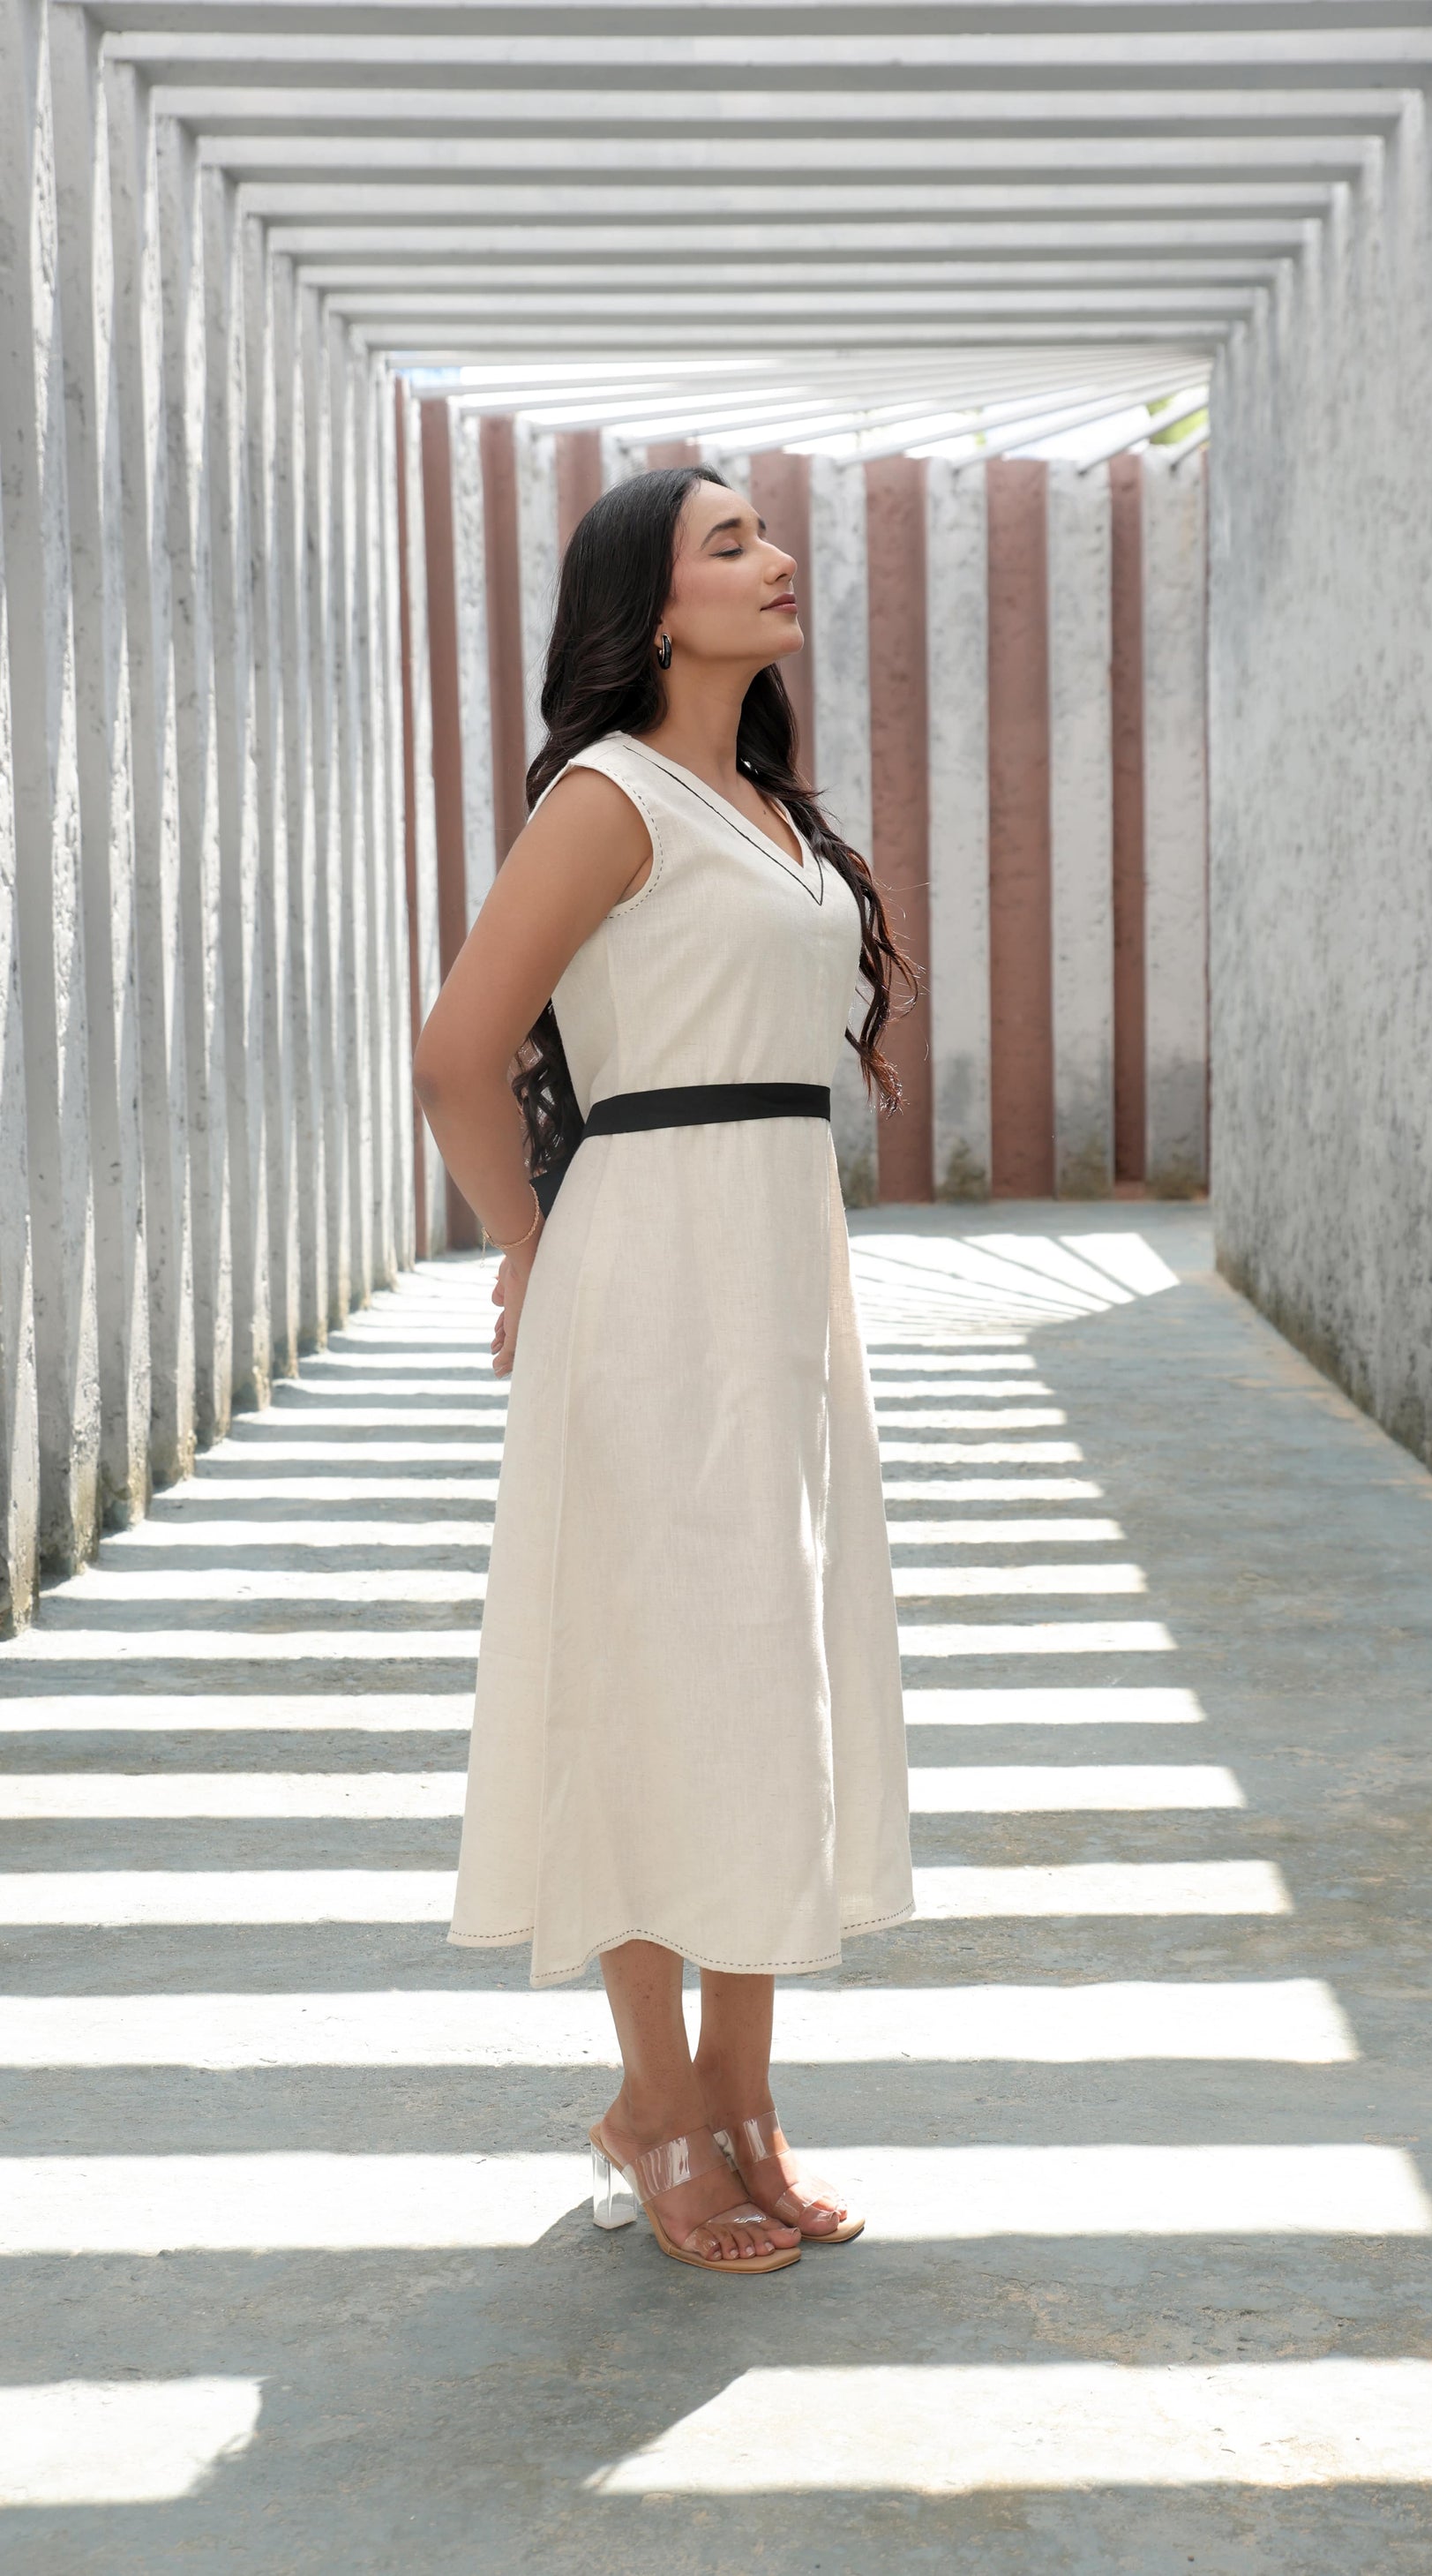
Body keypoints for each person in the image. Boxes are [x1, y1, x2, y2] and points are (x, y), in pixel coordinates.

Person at [412, 465, 918, 2276]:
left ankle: (743, 2093)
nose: (775, 559)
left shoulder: (768, 808)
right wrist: (533, 1250)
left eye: (765, 533)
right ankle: (653, 2105)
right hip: (644, 1281)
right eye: (730, 543)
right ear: (649, 607)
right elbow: (460, 1051)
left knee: (764, 1669)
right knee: (641, 1678)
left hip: (774, 1277)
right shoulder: (608, 798)